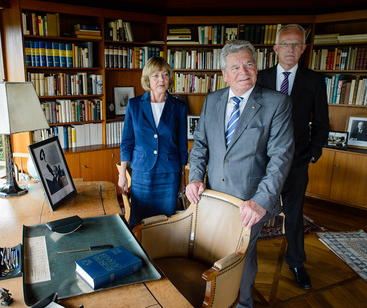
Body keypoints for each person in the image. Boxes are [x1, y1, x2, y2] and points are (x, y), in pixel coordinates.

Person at [185, 40, 294, 308]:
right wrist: (195, 177)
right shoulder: (212, 101)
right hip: (213, 196)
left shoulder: (277, 103)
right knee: (215, 251)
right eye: (235, 66)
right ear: (224, 74)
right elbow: (200, 145)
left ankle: (244, 303)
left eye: (249, 64)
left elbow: (280, 158)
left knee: (240, 256)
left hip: (250, 202)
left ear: (256, 67)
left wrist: (260, 201)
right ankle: (216, 299)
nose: (243, 71)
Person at [257, 24, 329, 290]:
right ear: (275, 48)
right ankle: (241, 257)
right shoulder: (260, 77)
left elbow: (321, 122)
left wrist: (312, 154)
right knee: (253, 210)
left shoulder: (314, 81)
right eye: (285, 44)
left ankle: (297, 262)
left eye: (296, 44)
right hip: (261, 161)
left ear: (303, 49)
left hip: (297, 161)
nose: (290, 49)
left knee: (295, 215)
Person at [119, 56, 188, 227]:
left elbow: (182, 145)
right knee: (138, 220)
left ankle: (162, 253)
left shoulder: (179, 107)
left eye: (165, 74)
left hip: (169, 174)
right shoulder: (134, 105)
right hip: (142, 173)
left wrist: (182, 177)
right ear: (147, 79)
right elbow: (127, 141)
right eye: (155, 75)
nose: (161, 80)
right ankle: (139, 252)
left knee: (165, 222)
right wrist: (122, 175)